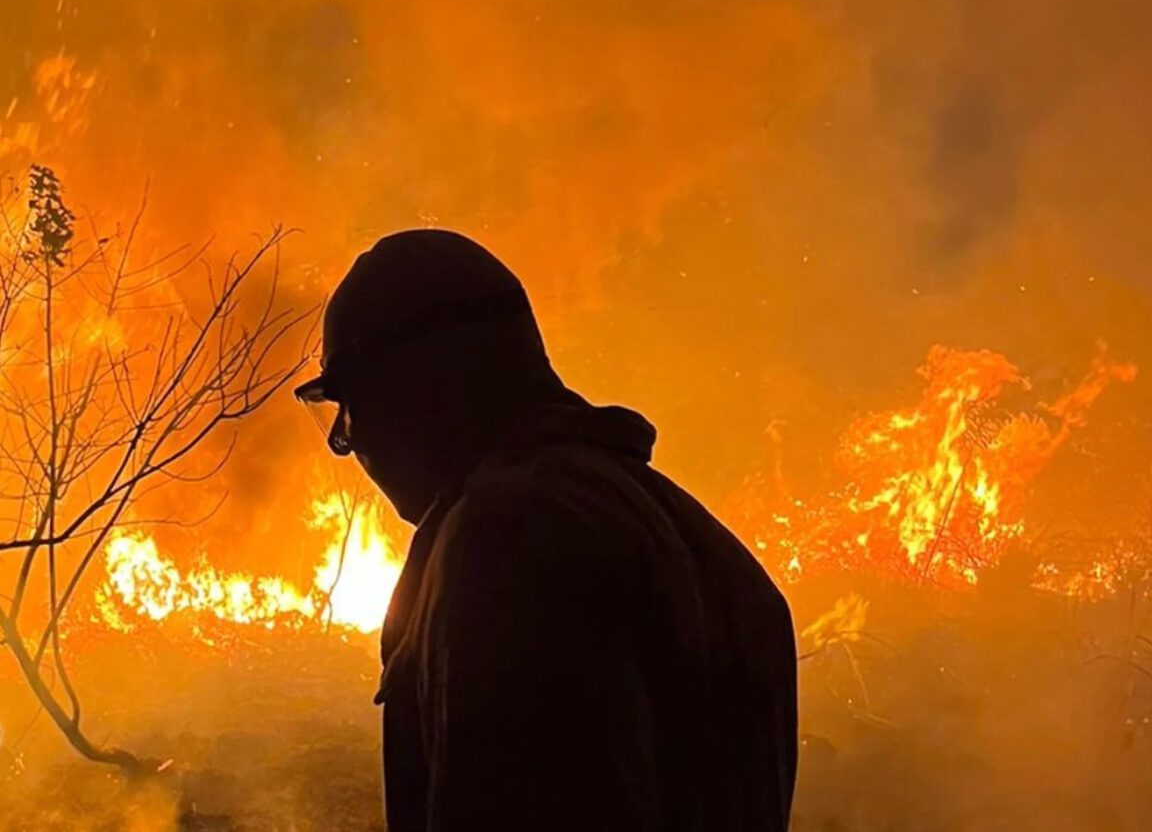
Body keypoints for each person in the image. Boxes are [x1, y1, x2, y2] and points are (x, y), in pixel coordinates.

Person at [295, 230, 798, 831]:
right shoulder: (702, 543)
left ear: (415, 385)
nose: (347, 441)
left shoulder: (507, 542)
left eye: (351, 405)